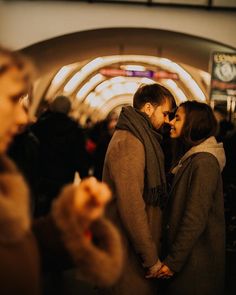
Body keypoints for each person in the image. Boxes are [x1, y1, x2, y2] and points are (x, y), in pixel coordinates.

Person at [0, 46, 123, 295]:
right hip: (60, 180)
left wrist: (71, 220)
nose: (25, 118)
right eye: (16, 100)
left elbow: (15, 244)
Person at [102, 83, 175, 294]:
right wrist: (151, 259)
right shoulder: (130, 142)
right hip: (128, 252)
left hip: (132, 250)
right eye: (165, 113)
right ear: (149, 108)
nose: (167, 121)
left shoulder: (140, 137)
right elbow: (132, 206)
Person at [158, 101, 226, 295]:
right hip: (190, 261)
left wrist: (172, 262)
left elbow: (194, 218)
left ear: (193, 124)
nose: (171, 122)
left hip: (196, 266)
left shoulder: (204, 162)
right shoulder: (191, 158)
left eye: (178, 118)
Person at [32, 95, 90, 216]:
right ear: (68, 110)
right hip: (64, 182)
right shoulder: (75, 130)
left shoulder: (40, 126)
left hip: (41, 180)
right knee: (59, 216)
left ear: (52, 107)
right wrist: (84, 176)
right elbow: (80, 157)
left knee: (39, 214)